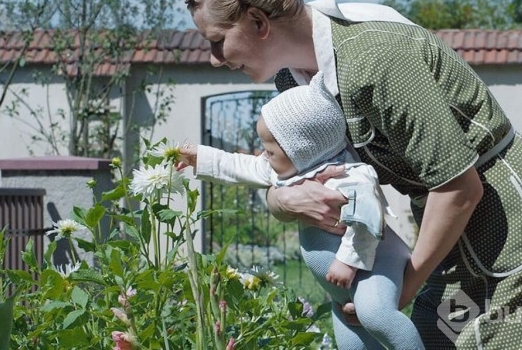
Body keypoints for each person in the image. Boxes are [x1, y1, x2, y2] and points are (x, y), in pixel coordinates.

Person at [183, 0, 522, 349]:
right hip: (452, 241)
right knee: (434, 339)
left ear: (258, 22)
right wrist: (282, 201)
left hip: (521, 230)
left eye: (218, 40)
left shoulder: (375, 58)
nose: (215, 58)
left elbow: (459, 189)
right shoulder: (293, 83)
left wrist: (397, 293)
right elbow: (288, 174)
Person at [179, 72, 425, 349]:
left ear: (302, 150)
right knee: (351, 345)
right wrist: (199, 157)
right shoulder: (291, 170)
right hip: (342, 288)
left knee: (376, 314)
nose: (264, 156)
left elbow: (367, 217)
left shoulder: (349, 175)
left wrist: (347, 261)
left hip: (373, 265)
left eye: (270, 151)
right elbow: (243, 166)